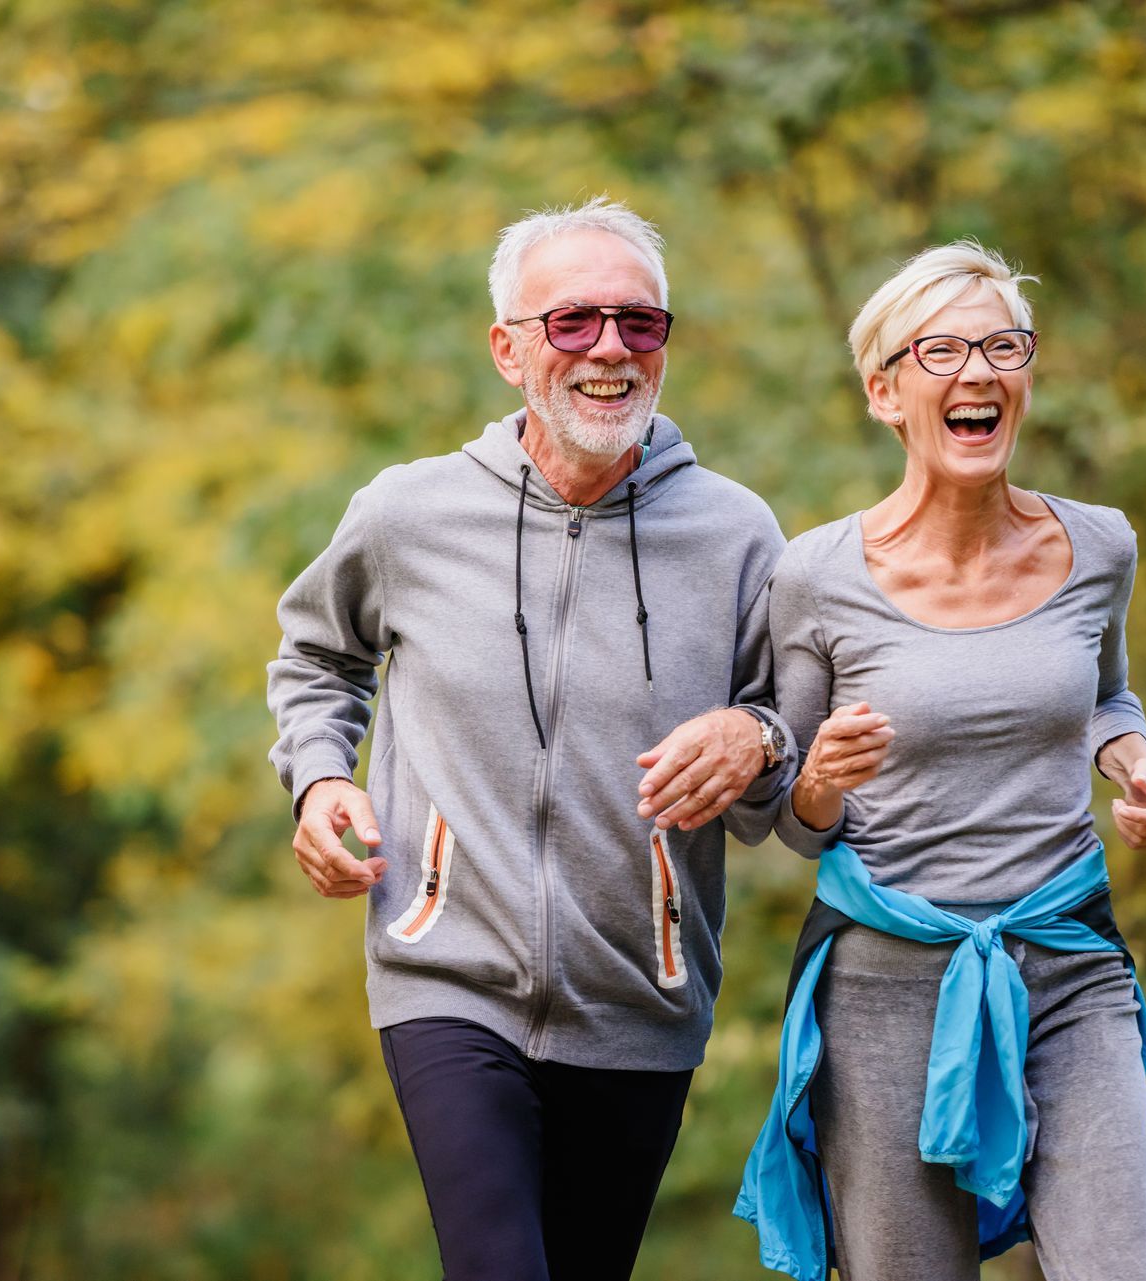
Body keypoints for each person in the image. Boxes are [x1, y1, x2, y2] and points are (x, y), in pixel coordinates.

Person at [266, 197, 797, 1281]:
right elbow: (318, 657)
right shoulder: (406, 515)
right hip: (444, 974)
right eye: (572, 322)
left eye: (639, 324)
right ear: (508, 349)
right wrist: (320, 780)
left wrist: (759, 735)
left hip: (641, 996)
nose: (609, 348)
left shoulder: (740, 535)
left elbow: (789, 762)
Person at [735, 240, 1146, 1281]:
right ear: (885, 392)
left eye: (1001, 347)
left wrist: (1135, 764)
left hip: (1066, 964)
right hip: (886, 987)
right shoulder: (816, 577)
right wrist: (821, 781)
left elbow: (1104, 695)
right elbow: (785, 820)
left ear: (1027, 376)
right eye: (939, 351)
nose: (976, 373)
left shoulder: (1100, 547)